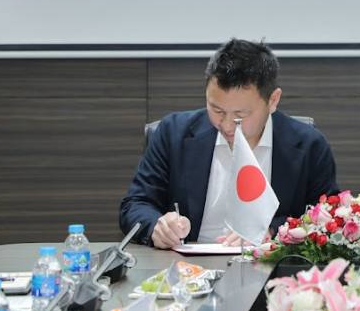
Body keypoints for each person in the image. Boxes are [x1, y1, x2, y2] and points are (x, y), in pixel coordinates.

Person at [120, 38, 338, 249]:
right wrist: (157, 227)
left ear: (273, 100)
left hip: (267, 265)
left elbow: (327, 219)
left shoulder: (309, 146)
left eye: (240, 115)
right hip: (188, 265)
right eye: (217, 110)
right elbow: (135, 204)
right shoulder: (173, 133)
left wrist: (274, 231)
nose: (226, 125)